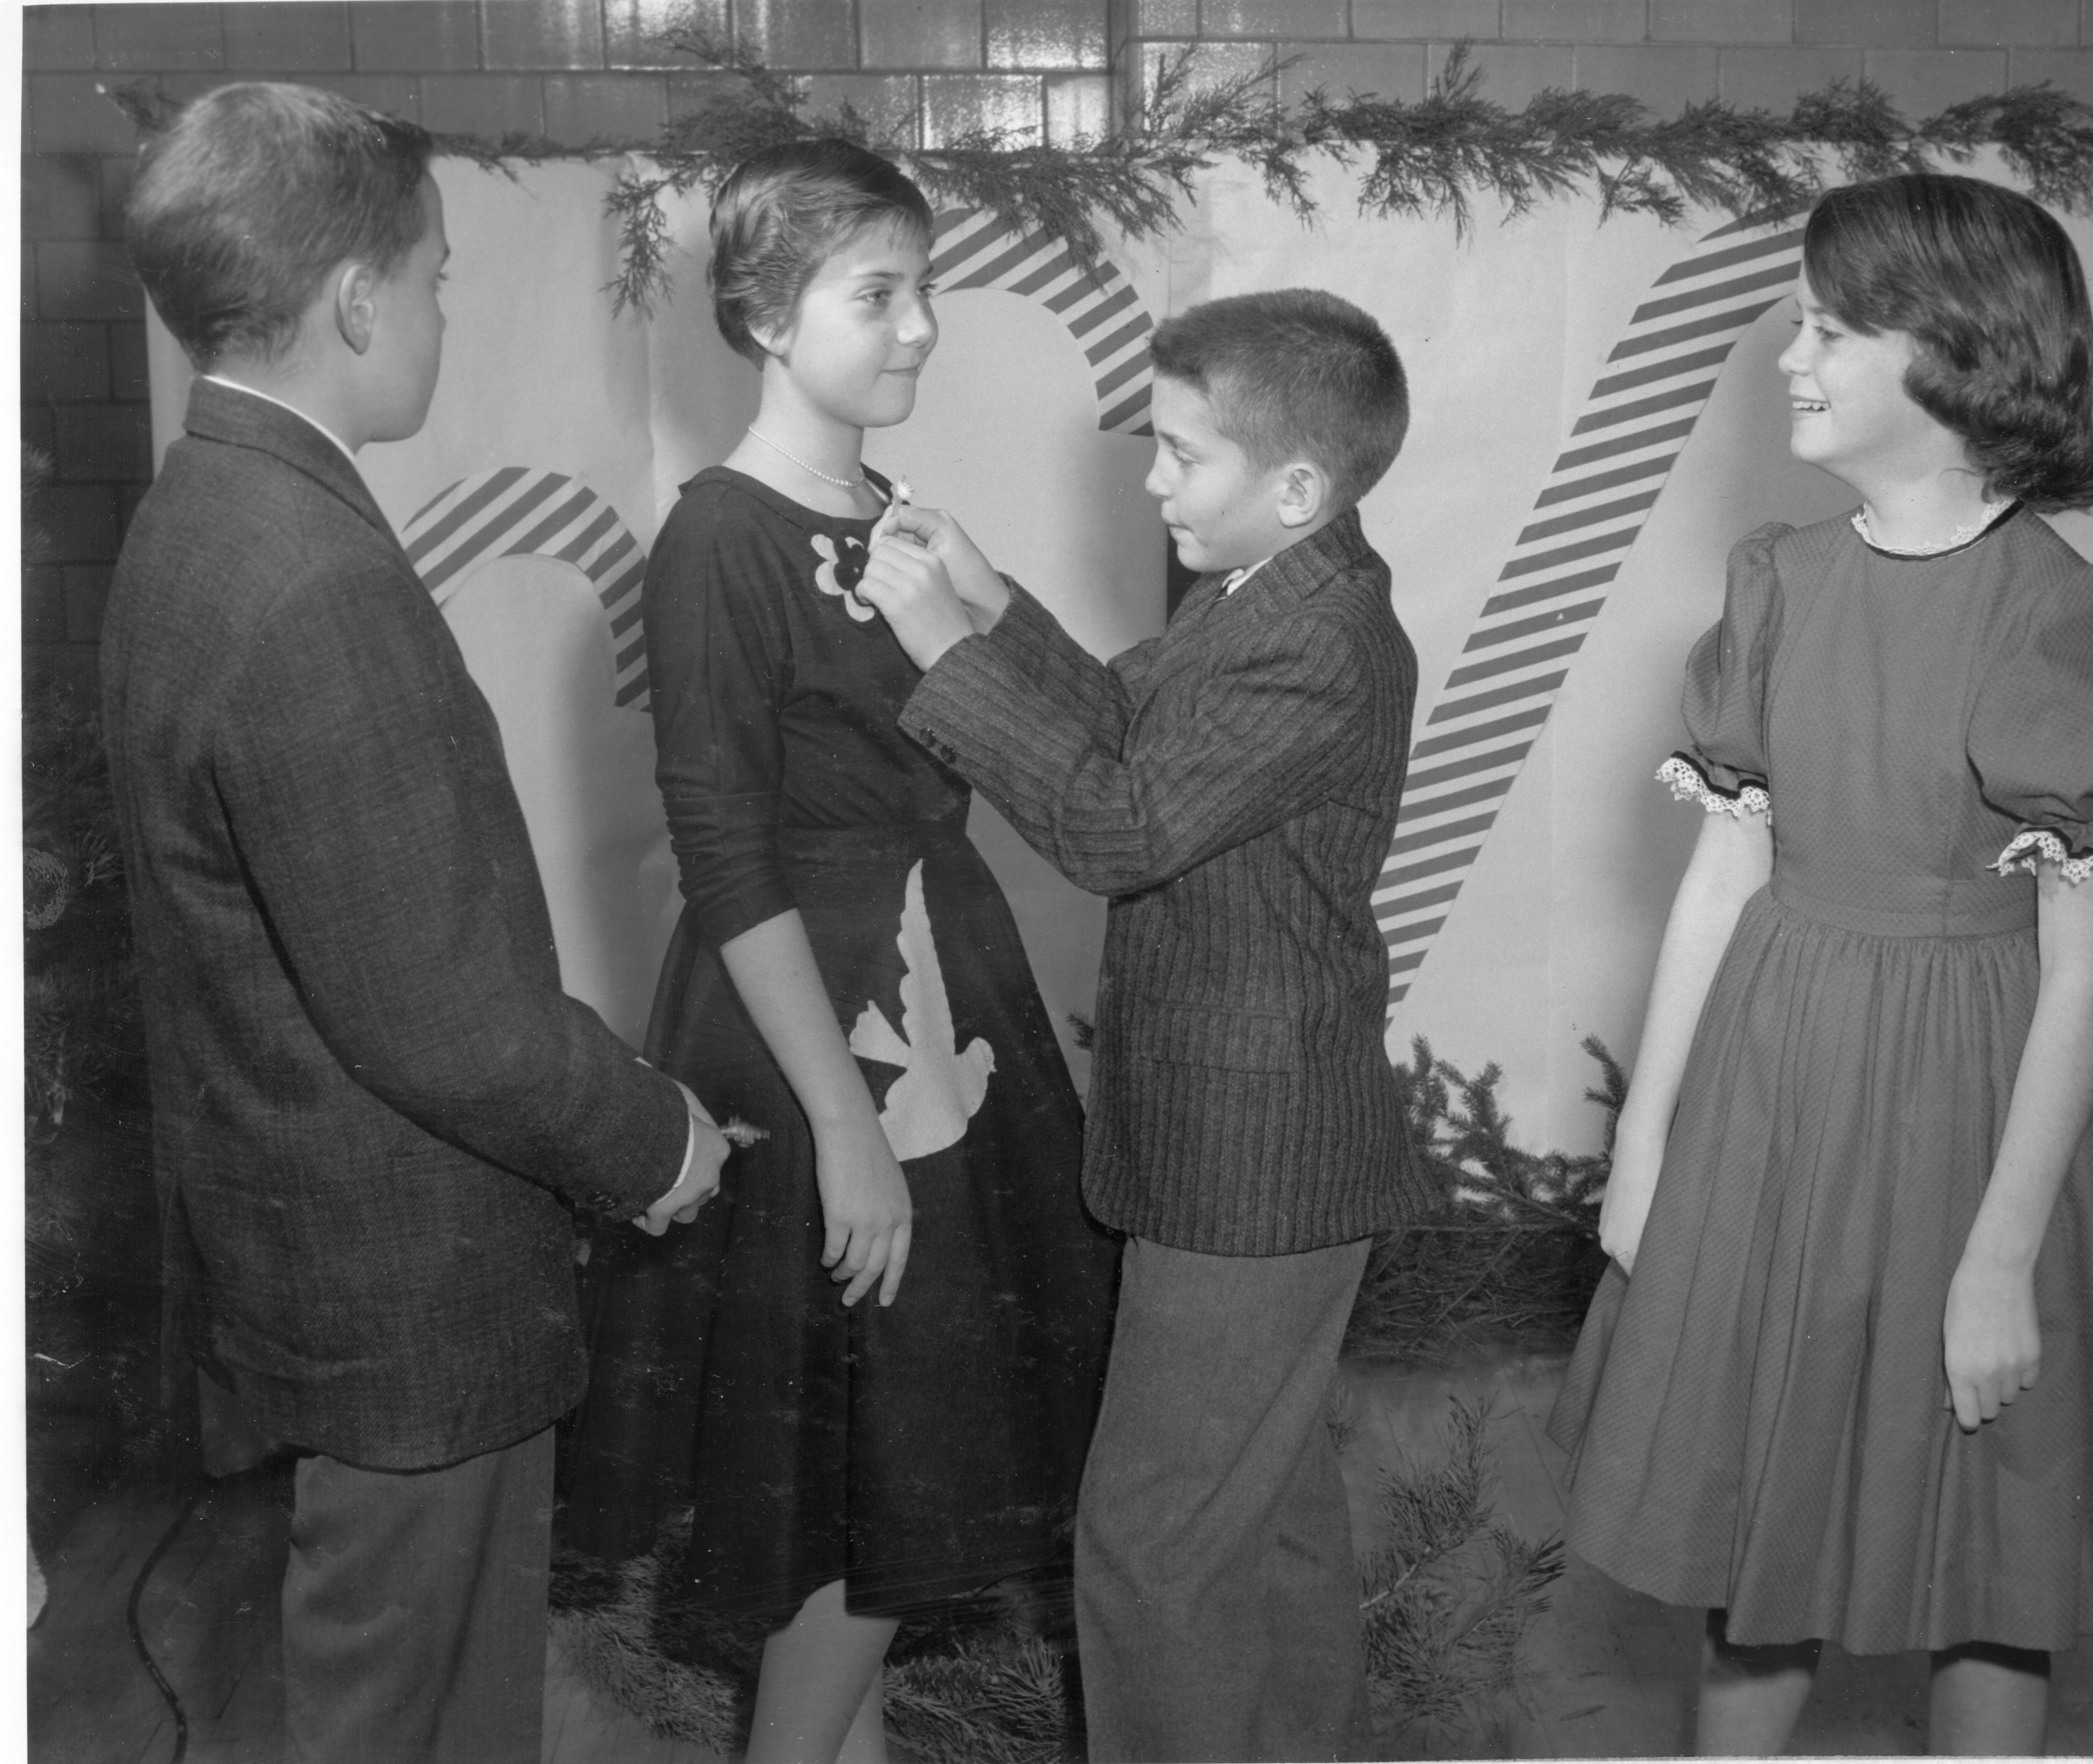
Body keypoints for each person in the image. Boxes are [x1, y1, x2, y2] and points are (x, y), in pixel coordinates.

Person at [1548, 172, 2093, 1755]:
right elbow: (1723, 875)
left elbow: (2082, 979)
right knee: (1756, 1533)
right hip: (1776, 1087)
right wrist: (1643, 1147)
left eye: (1828, 331)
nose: (1790, 360)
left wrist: (1999, 1259)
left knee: (1993, 1548)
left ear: (1954, 355)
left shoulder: (2075, 623)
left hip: (1972, 1106)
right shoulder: (1783, 582)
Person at [105, 83, 728, 1764]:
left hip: (325, 1254)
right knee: (411, 1715)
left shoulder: (203, 510)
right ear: (359, 301)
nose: (445, 311)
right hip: (406, 1295)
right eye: (438, 277)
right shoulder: (310, 576)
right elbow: (442, 1016)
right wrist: (654, 1135)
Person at [560, 139, 1119, 1764]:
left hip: (939, 989)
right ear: (763, 317)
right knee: (868, 1476)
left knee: (874, 1480)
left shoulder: (894, 517)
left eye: (924, 289)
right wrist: (845, 1129)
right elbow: (729, 861)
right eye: (877, 296)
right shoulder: (718, 542)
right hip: (822, 1037)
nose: (920, 326)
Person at [856, 287, 1438, 1763]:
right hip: (1254, 1151)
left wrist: (940, 655)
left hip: (1257, 1168)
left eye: (1184, 455)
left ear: (1295, 488)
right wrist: (992, 609)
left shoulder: (1323, 641)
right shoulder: (1268, 595)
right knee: (1271, 1524)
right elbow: (1131, 726)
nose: (1153, 482)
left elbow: (1121, 826)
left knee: (1150, 1547)